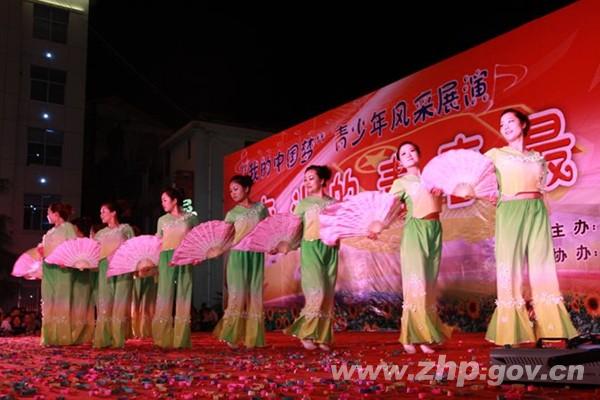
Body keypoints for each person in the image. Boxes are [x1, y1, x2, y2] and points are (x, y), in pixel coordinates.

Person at [484, 108, 577, 346]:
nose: (505, 127)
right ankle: (510, 333)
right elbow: (476, 178)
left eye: (510, 121)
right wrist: (488, 193)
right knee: (510, 267)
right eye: (501, 124)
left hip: (536, 210)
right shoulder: (495, 155)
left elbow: (542, 187)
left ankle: (552, 329)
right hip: (510, 210)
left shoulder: (538, 157)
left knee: (543, 267)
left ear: (523, 124)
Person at [389, 141, 452, 354]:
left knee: (429, 285)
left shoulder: (433, 178)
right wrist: (379, 222)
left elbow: (441, 201)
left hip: (434, 229)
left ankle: (426, 334)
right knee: (416, 284)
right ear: (400, 161)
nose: (408, 154)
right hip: (415, 230)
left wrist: (441, 190)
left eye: (412, 151)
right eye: (403, 153)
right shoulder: (401, 182)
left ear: (419, 154)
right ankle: (412, 336)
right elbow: (388, 207)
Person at [285, 165, 338, 351]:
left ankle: (322, 337)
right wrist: (284, 244)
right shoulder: (303, 204)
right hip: (310, 247)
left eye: (311, 178)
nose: (307, 182)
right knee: (317, 292)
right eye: (305, 179)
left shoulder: (334, 203)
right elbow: (293, 229)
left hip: (330, 248)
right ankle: (306, 333)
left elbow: (339, 226)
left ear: (322, 180)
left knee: (327, 294)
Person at [213, 175, 268, 349]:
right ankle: (232, 335)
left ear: (247, 189)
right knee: (237, 295)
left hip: (256, 255)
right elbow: (225, 237)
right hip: (238, 256)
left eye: (236, 189)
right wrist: (217, 249)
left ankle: (253, 338)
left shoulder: (261, 208)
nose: (233, 193)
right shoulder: (232, 214)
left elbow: (268, 229)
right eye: (230, 191)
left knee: (254, 295)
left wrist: (272, 245)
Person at [152, 187, 199, 348]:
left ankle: (181, 339)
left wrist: (197, 256)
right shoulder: (162, 220)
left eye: (165, 200)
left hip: (184, 255)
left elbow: (196, 238)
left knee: (184, 293)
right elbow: (158, 241)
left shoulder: (190, 218)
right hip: (166, 257)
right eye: (162, 201)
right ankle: (162, 338)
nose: (163, 203)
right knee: (165, 294)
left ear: (175, 201)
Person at [93, 202, 135, 348]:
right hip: (105, 267)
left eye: (104, 211)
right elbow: (94, 252)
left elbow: (133, 247)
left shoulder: (126, 229)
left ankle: (118, 340)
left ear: (113, 213)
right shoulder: (100, 234)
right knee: (105, 302)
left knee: (120, 303)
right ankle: (104, 339)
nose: (101, 215)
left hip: (123, 266)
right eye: (100, 212)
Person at [39, 202, 77, 345]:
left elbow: (73, 246)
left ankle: (62, 337)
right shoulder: (50, 232)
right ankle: (49, 337)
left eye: (48, 212)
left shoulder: (68, 227)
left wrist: (67, 260)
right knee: (48, 300)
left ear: (56, 214)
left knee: (62, 300)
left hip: (62, 267)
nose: (47, 215)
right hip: (48, 267)